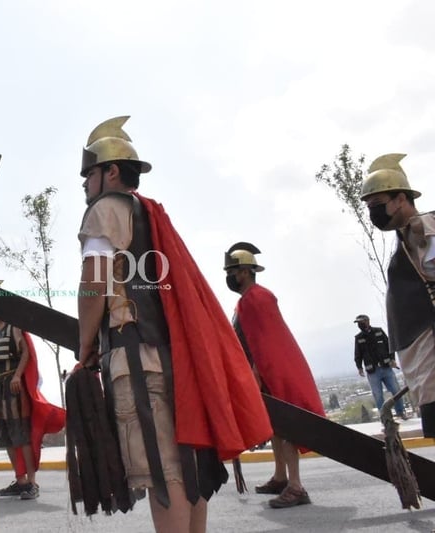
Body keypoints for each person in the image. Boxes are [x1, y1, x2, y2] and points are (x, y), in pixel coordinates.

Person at [76, 116, 273, 532]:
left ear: (110, 171)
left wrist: (84, 344)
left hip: (137, 361)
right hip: (174, 357)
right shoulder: (149, 212)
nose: (84, 185)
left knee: (164, 473)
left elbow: (92, 285)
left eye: (88, 174)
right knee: (186, 466)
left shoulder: (105, 210)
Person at [224, 243, 327, 508]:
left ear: (246, 272)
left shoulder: (258, 297)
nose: (229, 277)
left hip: (273, 371)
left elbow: (266, 341)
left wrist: (260, 372)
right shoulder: (245, 301)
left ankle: (296, 486)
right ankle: (281, 477)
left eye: (233, 271)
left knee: (287, 424)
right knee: (276, 427)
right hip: (262, 372)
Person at [360, 153, 435, 438]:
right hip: (419, 354)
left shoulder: (424, 228)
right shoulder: (406, 237)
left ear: (401, 199)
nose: (372, 212)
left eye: (377, 205)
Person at [0, 308, 66, 501]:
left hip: (14, 388)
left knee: (22, 435)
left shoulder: (13, 328)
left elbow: (26, 353)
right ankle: (20, 481)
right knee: (6, 437)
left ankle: (32, 482)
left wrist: (18, 375)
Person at [353, 314, 406, 419]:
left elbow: (389, 345)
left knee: (396, 390)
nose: (359, 324)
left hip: (386, 367)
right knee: (378, 395)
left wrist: (392, 360)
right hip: (372, 371)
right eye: (358, 323)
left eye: (361, 322)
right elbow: (358, 355)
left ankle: (400, 412)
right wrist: (359, 367)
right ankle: (385, 417)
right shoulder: (359, 338)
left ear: (367, 321)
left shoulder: (379, 331)